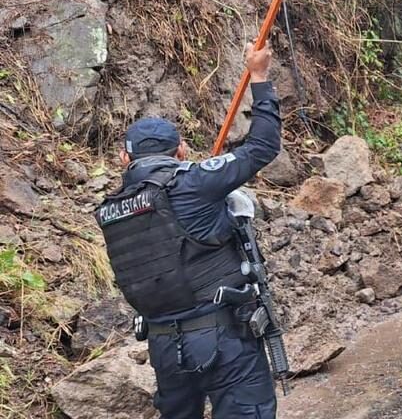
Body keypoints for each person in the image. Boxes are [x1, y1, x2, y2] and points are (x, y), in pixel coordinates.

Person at [97, 44, 282, 418]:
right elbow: (262, 146)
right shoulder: (195, 183)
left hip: (164, 348)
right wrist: (259, 77)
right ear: (181, 151)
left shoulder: (111, 210)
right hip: (224, 339)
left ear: (123, 159)